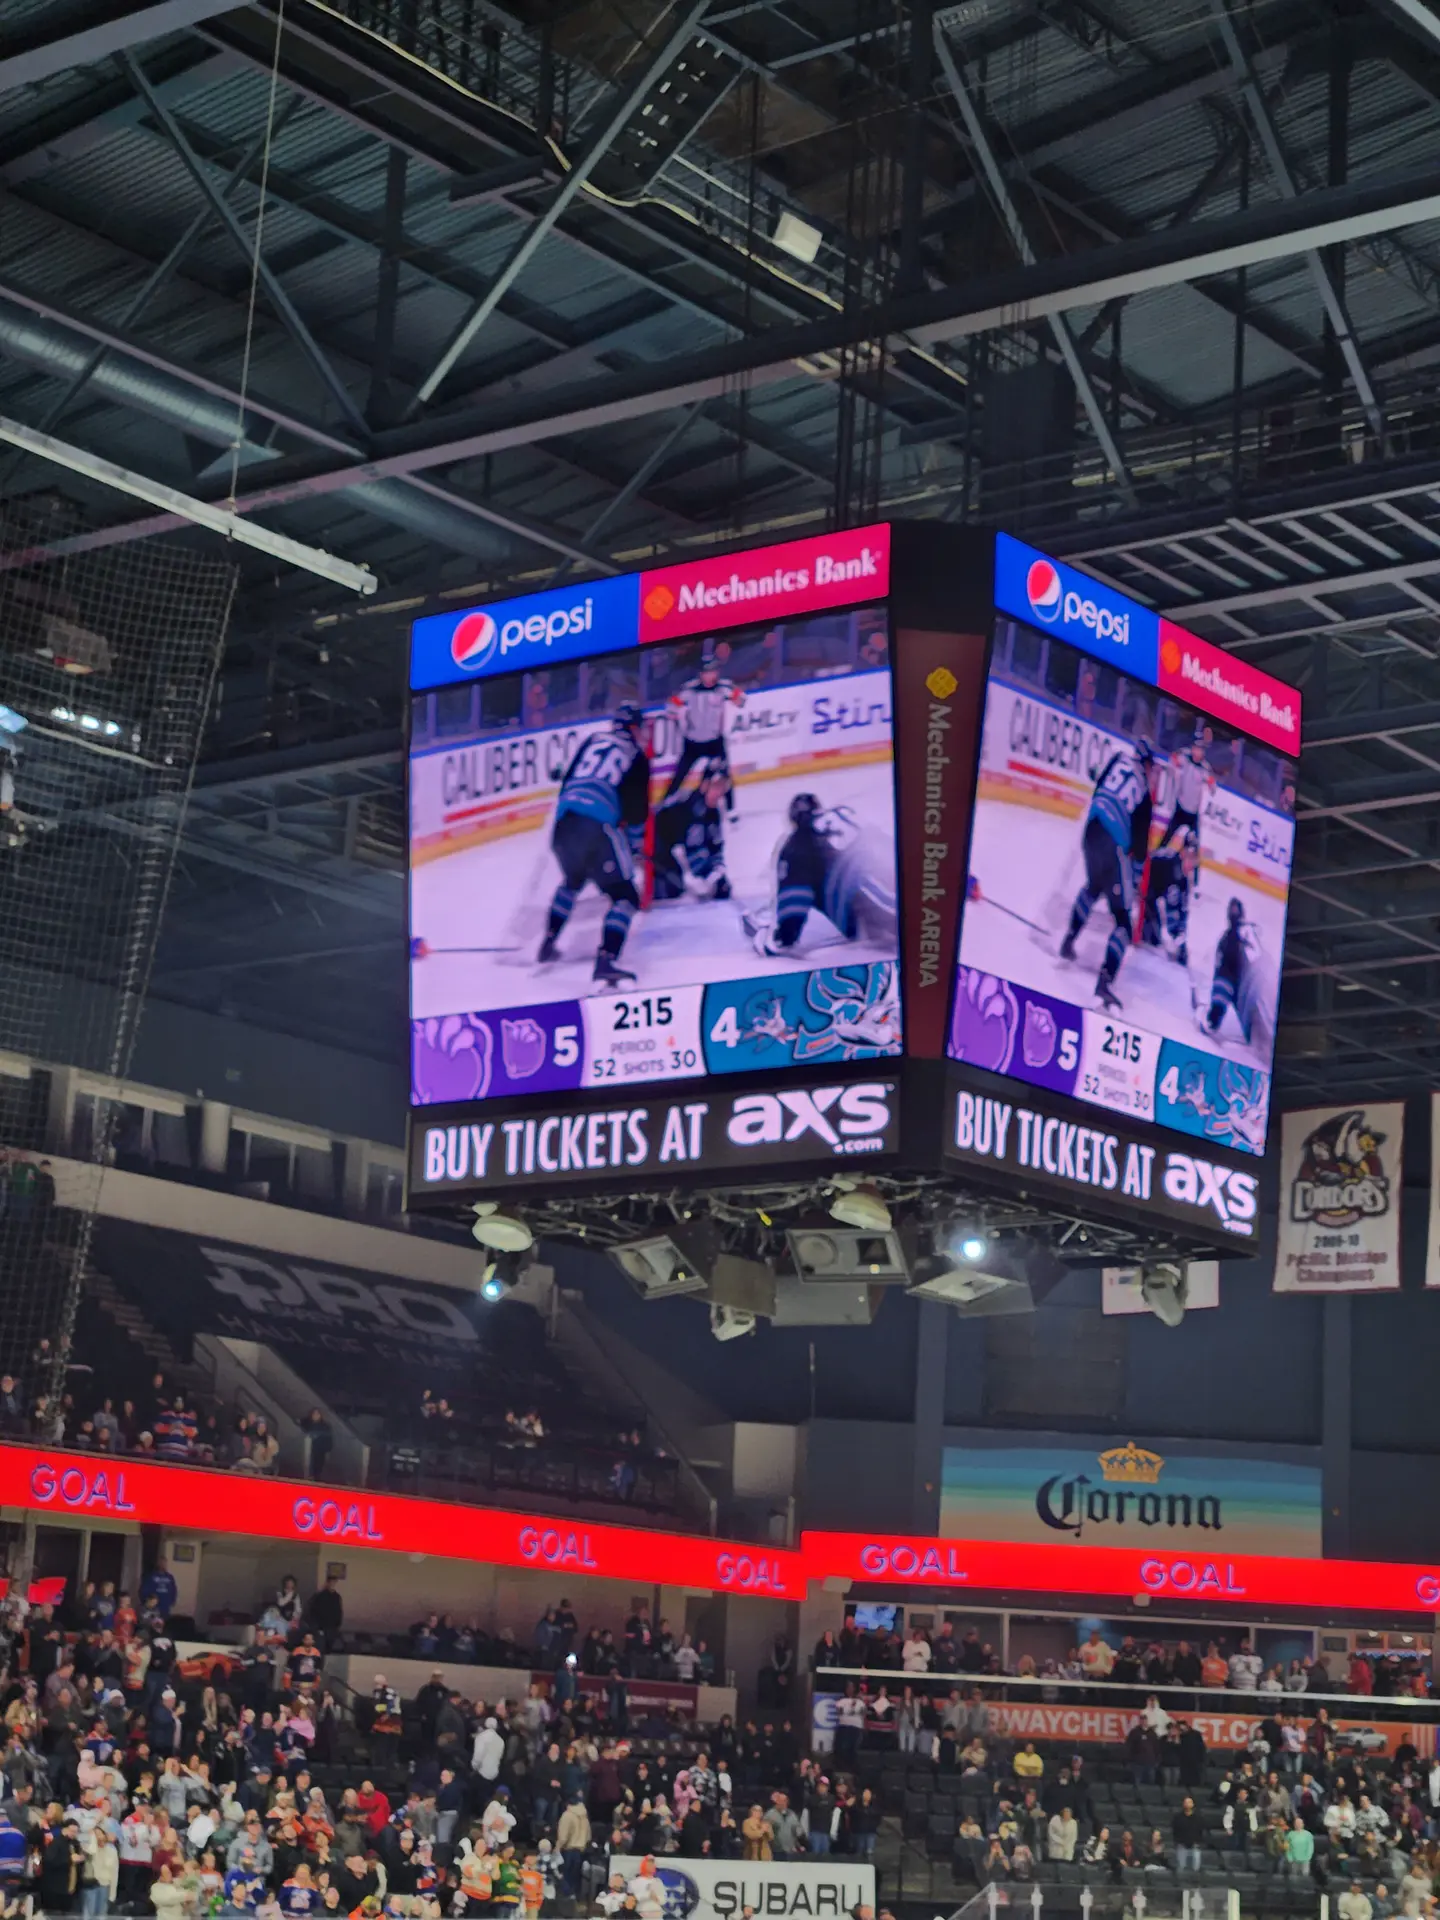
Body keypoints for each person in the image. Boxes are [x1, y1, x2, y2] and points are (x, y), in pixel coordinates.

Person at [537, 703, 651, 985]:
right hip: (597, 827)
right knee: (625, 895)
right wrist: (634, 849)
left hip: (563, 824)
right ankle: (607, 960)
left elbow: (567, 784)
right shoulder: (636, 755)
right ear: (634, 728)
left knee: (573, 879)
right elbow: (637, 813)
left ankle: (548, 942)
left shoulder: (592, 741)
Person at [1059, 737, 1158, 1011]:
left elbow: (1099, 789)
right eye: (1151, 768)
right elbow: (1139, 850)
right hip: (1113, 843)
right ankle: (1104, 984)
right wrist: (1135, 884)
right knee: (1124, 921)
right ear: (1146, 765)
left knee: (1093, 886)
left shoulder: (1116, 760)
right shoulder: (1146, 798)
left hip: (1091, 829)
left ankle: (1068, 940)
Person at [750, 794, 897, 959]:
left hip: (872, 903)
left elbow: (795, 901)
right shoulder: (845, 813)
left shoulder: (796, 844)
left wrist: (781, 939)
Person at [664, 646, 743, 813]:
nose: (711, 675)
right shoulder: (689, 689)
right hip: (693, 741)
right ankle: (667, 801)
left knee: (724, 774)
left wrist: (736, 697)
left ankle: (731, 809)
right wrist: (674, 713)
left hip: (715, 741)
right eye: (707, 672)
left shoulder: (723, 687)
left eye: (713, 671)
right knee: (680, 774)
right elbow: (672, 705)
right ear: (701, 674)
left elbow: (741, 700)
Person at [1173, 1797, 1204, 1874]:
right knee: (1181, 1866)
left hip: (1195, 1845)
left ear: (1193, 1804)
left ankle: (1195, 1883)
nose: (1187, 1804)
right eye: (1186, 1802)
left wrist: (1198, 1842)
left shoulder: (1198, 1818)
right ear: (1183, 1804)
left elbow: (1200, 1831)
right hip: (1182, 1845)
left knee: (1196, 1867)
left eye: (1189, 1802)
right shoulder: (1178, 1818)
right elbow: (1175, 1831)